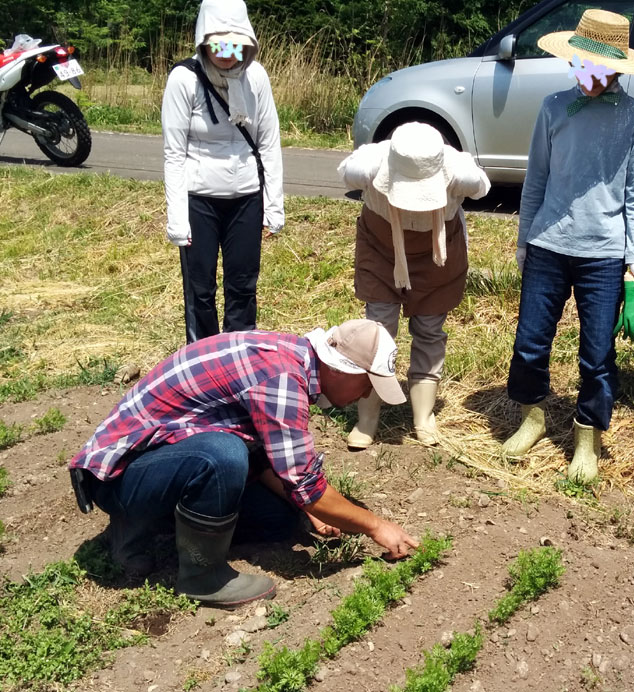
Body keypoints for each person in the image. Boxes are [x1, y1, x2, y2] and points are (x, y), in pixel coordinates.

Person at [68, 320, 418, 606]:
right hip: (117, 477)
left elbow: (269, 455)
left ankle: (152, 529)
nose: (368, 394)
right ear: (342, 369)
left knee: (280, 519)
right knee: (222, 455)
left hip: (158, 464)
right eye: (368, 383)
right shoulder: (281, 378)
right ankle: (201, 577)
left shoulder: (288, 357)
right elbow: (305, 485)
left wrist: (309, 507)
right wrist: (375, 526)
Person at [501, 9, 634, 483]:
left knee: (597, 354)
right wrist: (526, 241)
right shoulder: (553, 108)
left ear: (616, 68)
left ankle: (587, 435)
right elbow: (536, 181)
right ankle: (532, 418)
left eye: (597, 66)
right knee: (529, 343)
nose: (586, 74)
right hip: (549, 245)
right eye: (579, 64)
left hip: (604, 255)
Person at [337, 122, 491, 449]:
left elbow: (482, 186)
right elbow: (345, 170)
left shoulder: (458, 171)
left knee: (430, 328)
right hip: (380, 250)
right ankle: (368, 416)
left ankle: (423, 415)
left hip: (437, 254)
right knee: (378, 327)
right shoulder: (368, 165)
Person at [162, 0, 284, 344]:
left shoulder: (255, 77)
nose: (226, 52)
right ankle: (202, 365)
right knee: (200, 290)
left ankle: (238, 362)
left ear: (246, 42)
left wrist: (274, 206)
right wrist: (177, 217)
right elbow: (173, 153)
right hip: (198, 198)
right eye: (218, 43)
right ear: (204, 40)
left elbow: (269, 143)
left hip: (246, 197)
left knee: (243, 287)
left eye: (234, 44)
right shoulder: (184, 80)